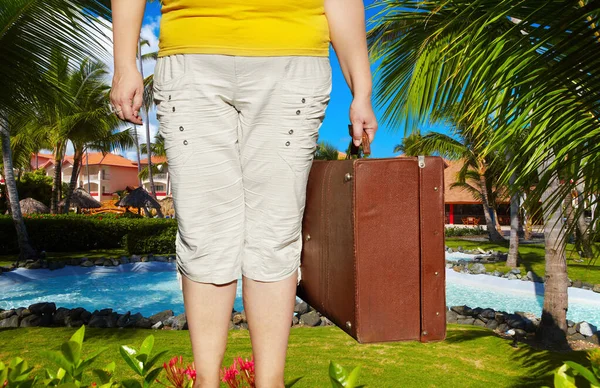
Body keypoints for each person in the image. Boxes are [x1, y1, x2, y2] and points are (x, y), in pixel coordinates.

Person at [110, 1, 378, 387]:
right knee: (202, 234)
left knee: (275, 235)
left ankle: (271, 382)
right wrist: (124, 62)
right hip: (190, 55)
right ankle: (206, 382)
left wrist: (361, 89)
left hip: (293, 57)